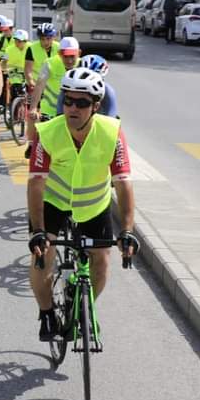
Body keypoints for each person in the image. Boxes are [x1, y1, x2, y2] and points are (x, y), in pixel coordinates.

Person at [28, 68, 138, 341]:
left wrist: (126, 230)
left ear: (96, 106)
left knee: (101, 261)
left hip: (94, 205)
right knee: (43, 259)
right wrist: (39, 231)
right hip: (53, 202)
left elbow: (123, 184)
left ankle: (86, 309)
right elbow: (35, 184)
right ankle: (47, 313)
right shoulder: (48, 132)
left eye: (81, 103)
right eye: (68, 100)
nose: (72, 108)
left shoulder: (112, 133)